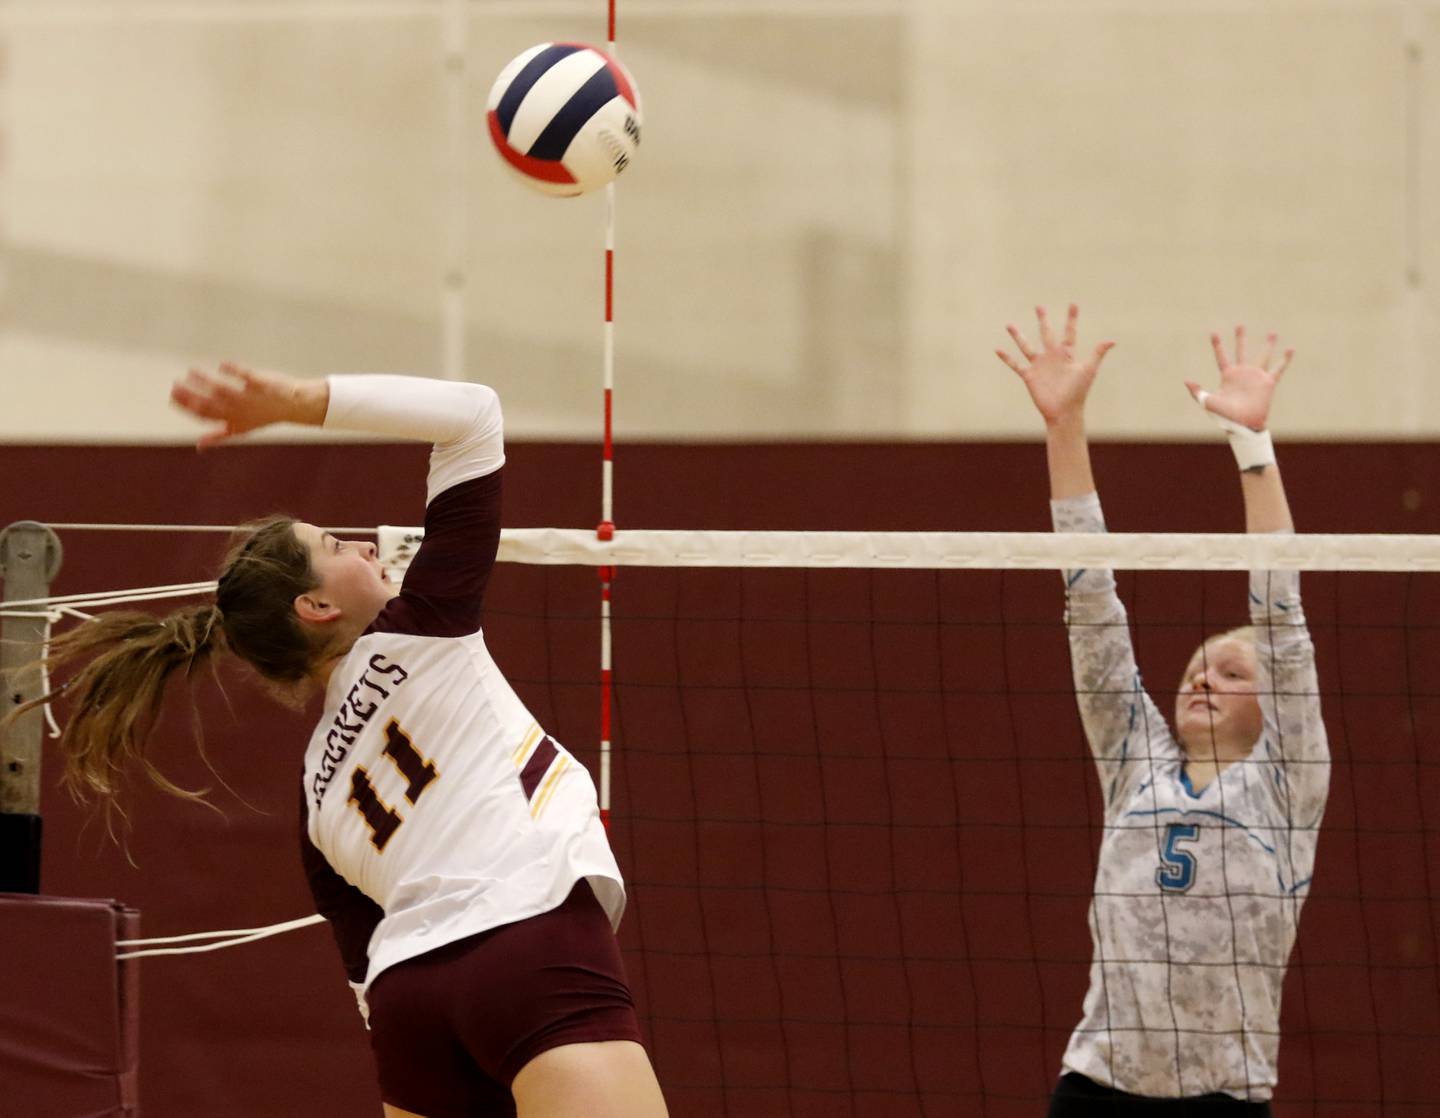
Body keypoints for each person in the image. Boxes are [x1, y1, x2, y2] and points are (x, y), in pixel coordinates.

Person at [34, 365, 670, 1118]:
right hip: (528, 938)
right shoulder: (423, 629)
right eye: (337, 545)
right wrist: (297, 402)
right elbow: (474, 415)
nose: (367, 547)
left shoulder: (313, 789)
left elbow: (363, 974)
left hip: (411, 1009)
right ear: (315, 604)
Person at [997, 307, 1329, 1116]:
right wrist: (1065, 425)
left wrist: (1252, 449)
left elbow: (1279, 615)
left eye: (1230, 671)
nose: (1204, 681)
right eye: (1195, 669)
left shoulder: (1286, 788)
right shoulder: (1134, 756)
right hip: (1097, 1093)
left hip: (1220, 1101)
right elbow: (1092, 603)